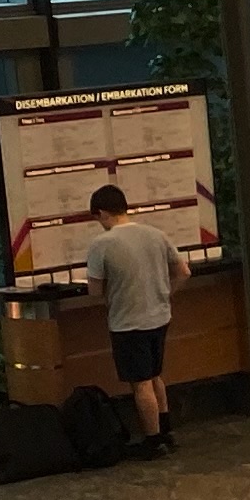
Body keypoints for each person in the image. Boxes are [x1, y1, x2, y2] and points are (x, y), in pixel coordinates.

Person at [78, 186, 187, 454]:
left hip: (128, 321)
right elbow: (184, 272)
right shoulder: (155, 234)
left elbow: (94, 291)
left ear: (102, 213)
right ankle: (166, 430)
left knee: (140, 384)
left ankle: (152, 440)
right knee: (154, 376)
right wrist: (165, 294)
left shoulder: (102, 244)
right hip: (160, 317)